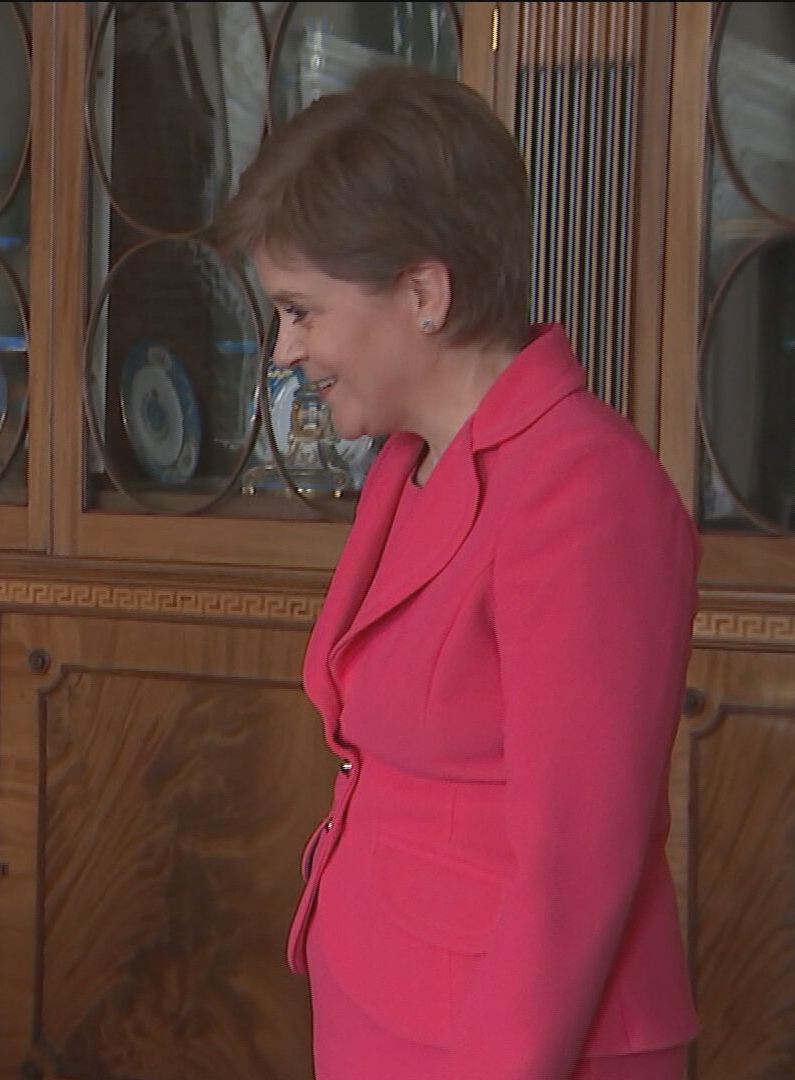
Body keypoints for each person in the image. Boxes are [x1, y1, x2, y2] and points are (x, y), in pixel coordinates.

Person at [217, 67, 700, 1079]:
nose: (283, 351)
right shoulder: (412, 461)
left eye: (302, 311)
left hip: (513, 1035)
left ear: (424, 293)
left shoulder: (584, 489)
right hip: (387, 996)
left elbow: (576, 866)